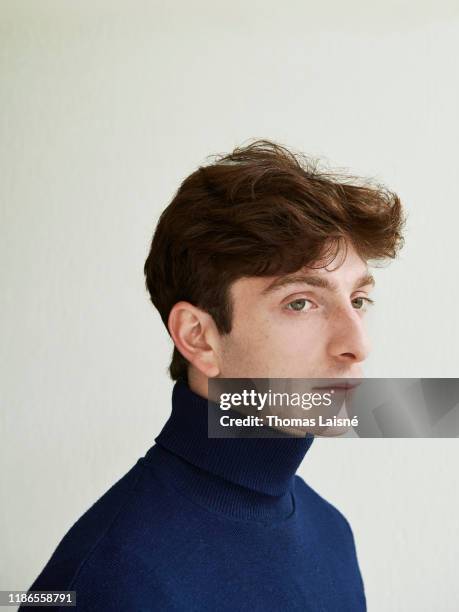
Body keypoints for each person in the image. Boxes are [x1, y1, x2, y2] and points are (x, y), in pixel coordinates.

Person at [21, 139, 404, 611]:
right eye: (300, 302)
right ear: (199, 337)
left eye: (358, 300)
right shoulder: (109, 578)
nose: (358, 343)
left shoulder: (331, 532)